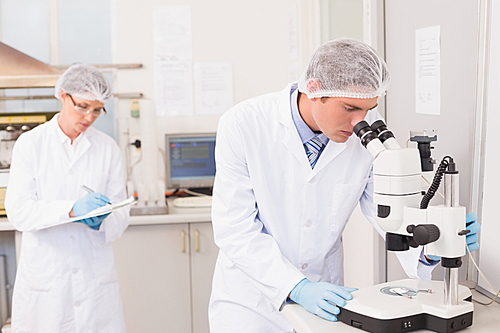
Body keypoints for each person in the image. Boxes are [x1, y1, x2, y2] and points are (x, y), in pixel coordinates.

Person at [208, 38, 481, 332]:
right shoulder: (243, 125)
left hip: (327, 300)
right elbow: (235, 229)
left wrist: (428, 246)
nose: (359, 123)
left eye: (368, 110)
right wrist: (295, 286)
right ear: (313, 90)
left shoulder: (366, 125)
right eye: (349, 108)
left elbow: (385, 211)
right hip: (252, 305)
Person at [5, 64, 129, 332]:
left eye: (97, 110)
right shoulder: (31, 144)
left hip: (94, 282)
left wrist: (103, 222)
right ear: (63, 96)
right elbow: (19, 211)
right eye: (83, 106)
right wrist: (72, 210)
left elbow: (121, 213)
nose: (89, 116)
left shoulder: (107, 148)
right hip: (47, 284)